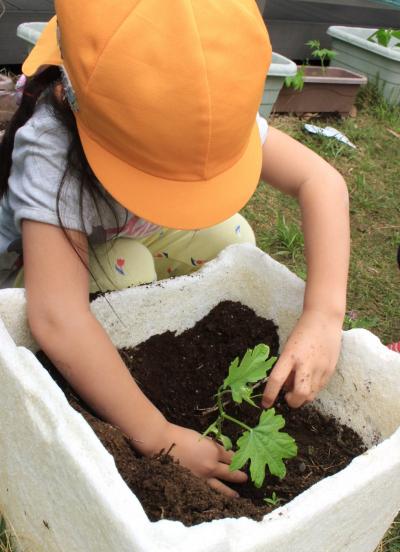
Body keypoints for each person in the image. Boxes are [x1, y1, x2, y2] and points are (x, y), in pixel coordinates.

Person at [0, 0, 349, 497]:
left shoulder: (198, 105)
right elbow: (57, 318)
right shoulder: (52, 148)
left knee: (234, 238)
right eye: (162, 176)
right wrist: (158, 435)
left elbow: (322, 181)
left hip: (129, 230)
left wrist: (324, 315)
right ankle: (118, 374)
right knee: (130, 272)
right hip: (35, 265)